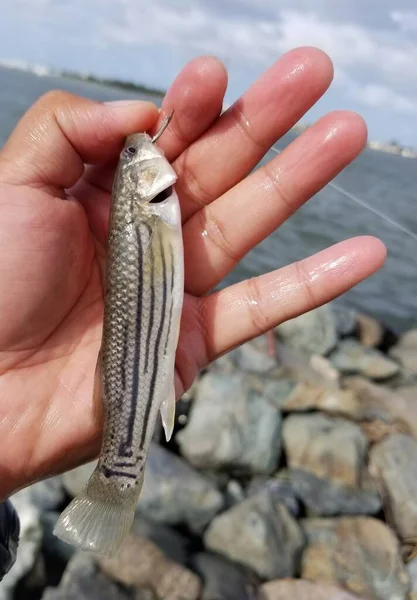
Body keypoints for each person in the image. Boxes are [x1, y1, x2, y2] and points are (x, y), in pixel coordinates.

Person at [0, 47, 386, 574]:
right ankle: (119, 472)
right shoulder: (149, 203)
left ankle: (118, 471)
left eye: (133, 159)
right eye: (135, 159)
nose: (142, 151)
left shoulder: (153, 206)